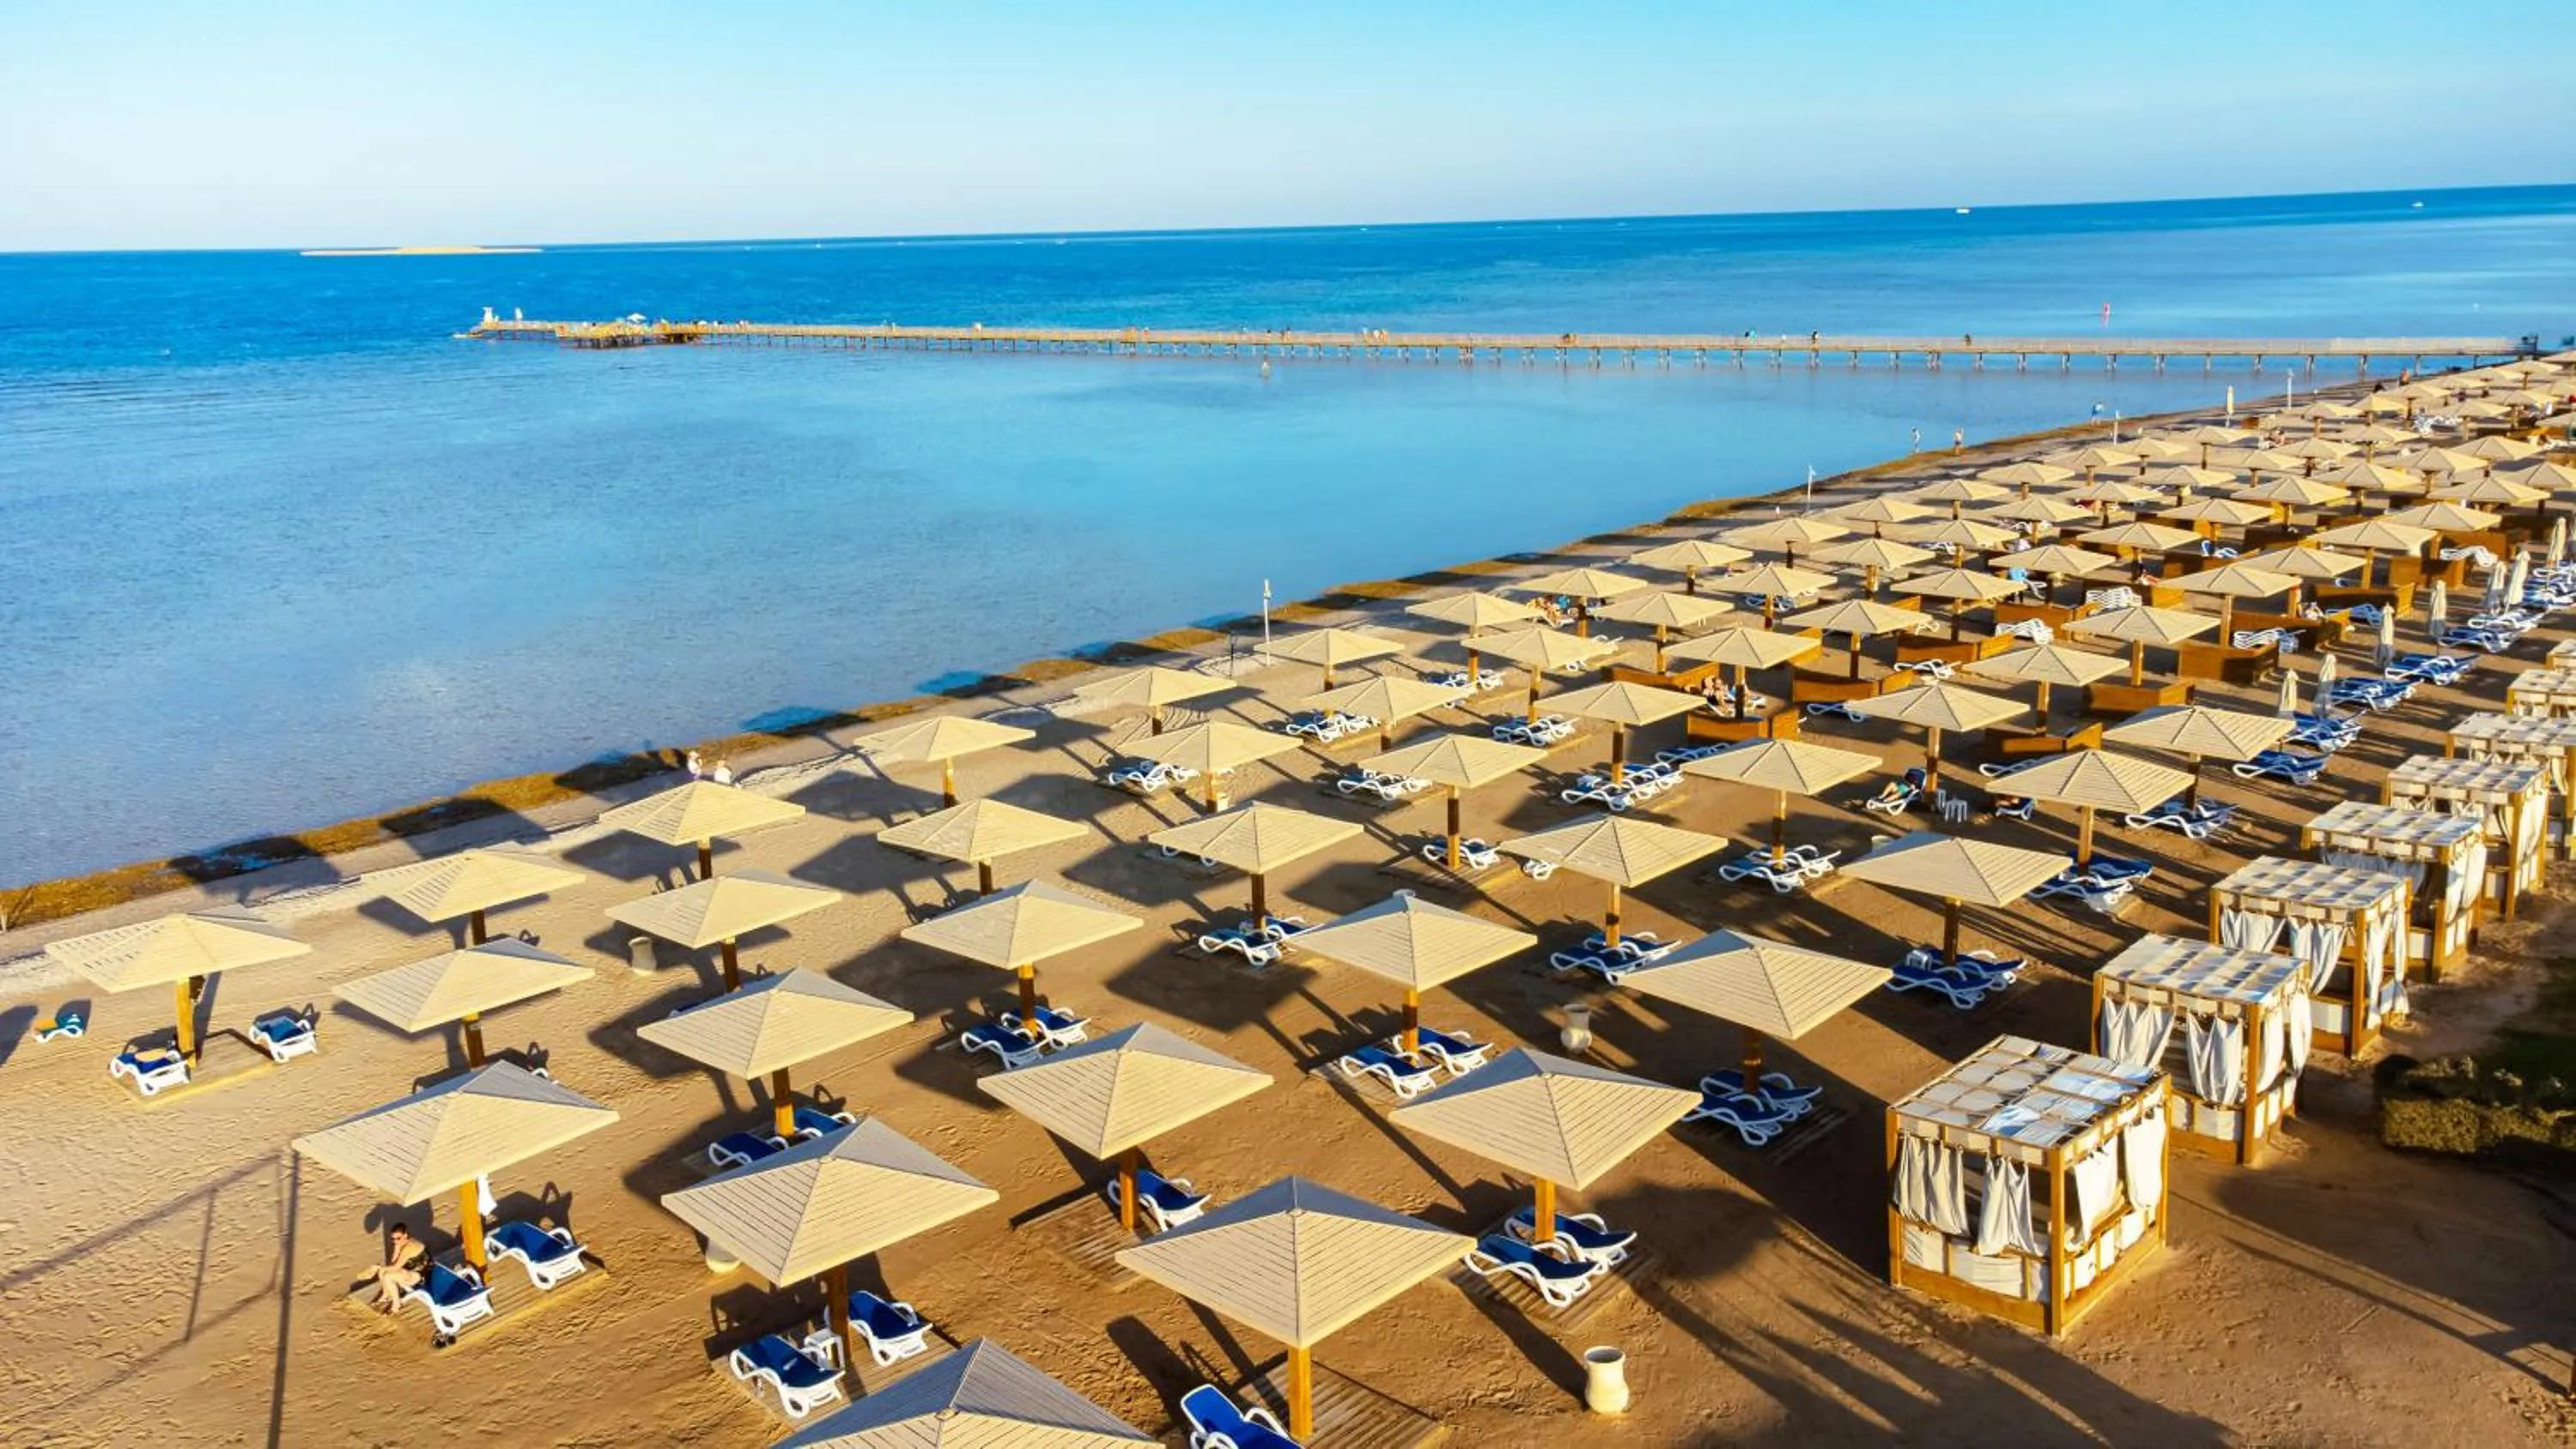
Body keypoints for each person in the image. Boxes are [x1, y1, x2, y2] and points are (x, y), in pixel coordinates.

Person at [369, 1225, 428, 1313]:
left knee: (388, 1277)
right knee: (383, 1271)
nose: (395, 1241)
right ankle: (386, 1295)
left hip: (421, 1275)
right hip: (410, 1269)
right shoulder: (401, 1243)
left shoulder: (410, 1247)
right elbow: (393, 1262)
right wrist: (396, 1248)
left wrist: (378, 1267)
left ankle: (397, 1305)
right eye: (393, 1239)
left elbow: (396, 1267)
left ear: (405, 1235)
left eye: (398, 1238)